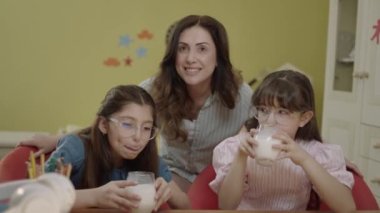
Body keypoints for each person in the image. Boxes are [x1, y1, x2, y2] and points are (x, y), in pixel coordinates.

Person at [209, 70, 356, 212]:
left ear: (304, 118)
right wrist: (241, 158)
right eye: (264, 110)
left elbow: (346, 207)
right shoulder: (238, 146)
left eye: (283, 112)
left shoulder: (314, 151)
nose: (270, 121)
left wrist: (305, 160)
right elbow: (226, 205)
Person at [138, 15, 253, 192]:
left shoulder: (243, 97)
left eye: (202, 49)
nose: (190, 58)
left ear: (218, 57)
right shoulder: (151, 90)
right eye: (182, 48)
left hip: (218, 180)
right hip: (171, 175)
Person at [44, 85, 189, 211]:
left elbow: (187, 206)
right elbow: (40, 192)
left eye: (146, 128)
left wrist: (167, 191)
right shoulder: (76, 148)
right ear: (104, 125)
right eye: (127, 124)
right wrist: (94, 197)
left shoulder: (149, 159)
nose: (138, 137)